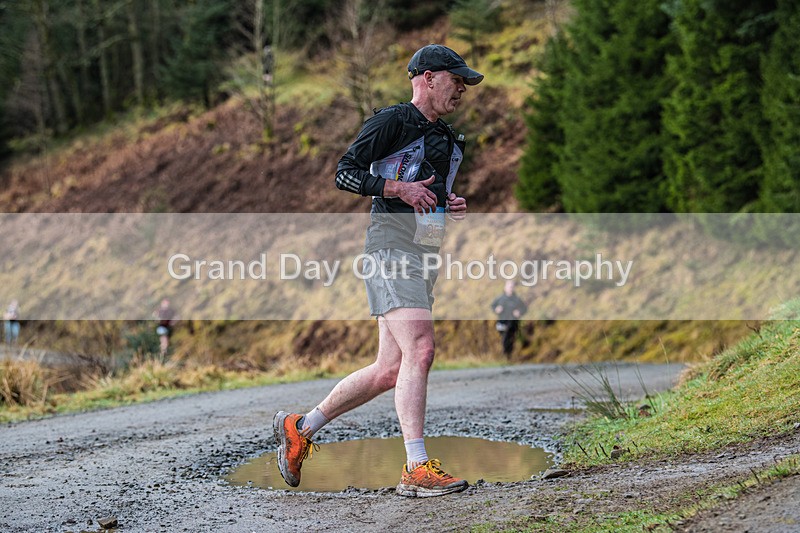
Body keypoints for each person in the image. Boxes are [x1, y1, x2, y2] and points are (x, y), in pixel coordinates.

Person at [273, 44, 483, 497]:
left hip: (423, 255)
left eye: (465, 82)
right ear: (428, 78)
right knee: (421, 349)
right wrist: (397, 189)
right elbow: (345, 173)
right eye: (456, 79)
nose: (462, 89)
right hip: (389, 249)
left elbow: (429, 193)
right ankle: (416, 467)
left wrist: (448, 204)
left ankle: (300, 428)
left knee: (389, 369)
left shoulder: (448, 139)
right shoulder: (392, 121)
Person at [491, 280, 528, 357]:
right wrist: (496, 309)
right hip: (502, 321)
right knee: (504, 337)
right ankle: (505, 354)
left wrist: (519, 312)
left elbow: (524, 309)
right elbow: (493, 306)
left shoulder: (517, 299)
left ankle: (507, 354)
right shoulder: (500, 298)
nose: (510, 288)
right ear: (505, 287)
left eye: (512, 287)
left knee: (509, 336)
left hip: (513, 323)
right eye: (509, 286)